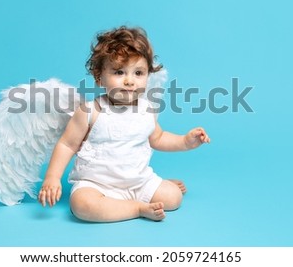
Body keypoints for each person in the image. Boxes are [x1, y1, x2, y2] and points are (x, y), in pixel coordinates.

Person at [38, 26, 210, 222]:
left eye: (138, 73)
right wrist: (52, 177)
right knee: (81, 206)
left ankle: (149, 191)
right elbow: (67, 144)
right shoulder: (90, 110)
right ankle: (136, 208)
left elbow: (158, 138)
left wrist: (186, 141)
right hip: (96, 185)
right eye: (119, 72)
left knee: (173, 198)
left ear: (148, 75)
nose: (130, 81)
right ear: (99, 77)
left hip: (137, 182)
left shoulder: (147, 109)